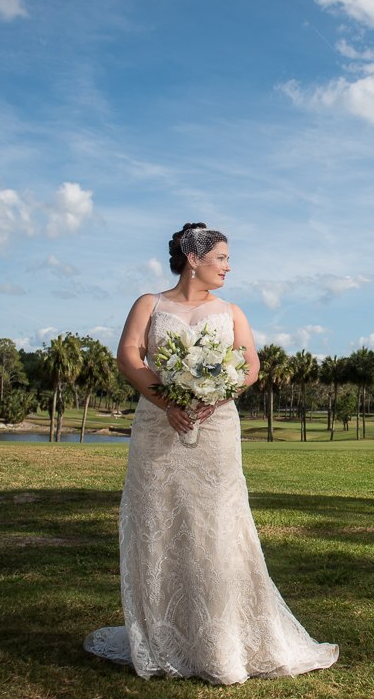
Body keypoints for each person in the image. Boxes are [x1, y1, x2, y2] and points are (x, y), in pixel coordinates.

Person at [84, 223, 338, 684]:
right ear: (192, 256)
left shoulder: (232, 310)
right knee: (159, 522)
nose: (227, 266)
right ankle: (164, 636)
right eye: (221, 257)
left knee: (217, 525)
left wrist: (212, 397)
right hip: (157, 429)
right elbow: (129, 356)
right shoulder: (150, 304)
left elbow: (251, 364)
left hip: (216, 426)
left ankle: (222, 640)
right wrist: (168, 402)